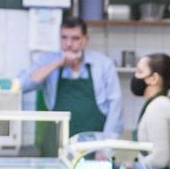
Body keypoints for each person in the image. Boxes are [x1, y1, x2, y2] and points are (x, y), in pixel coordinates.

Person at [21, 15, 121, 146]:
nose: (68, 44)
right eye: (64, 38)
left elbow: (116, 105)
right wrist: (57, 64)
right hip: (57, 144)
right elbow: (21, 85)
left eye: (75, 38)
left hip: (94, 145)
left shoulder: (103, 65)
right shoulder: (48, 60)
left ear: (85, 40)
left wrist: (107, 145)